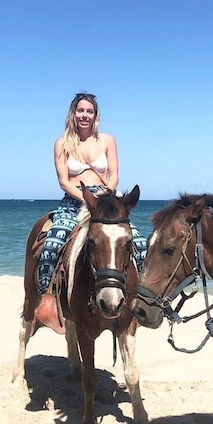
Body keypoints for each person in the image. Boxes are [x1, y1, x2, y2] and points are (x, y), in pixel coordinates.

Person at [35, 92, 148, 333]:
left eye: (89, 111)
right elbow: (64, 181)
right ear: (73, 114)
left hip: (106, 199)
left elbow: (115, 174)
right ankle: (48, 298)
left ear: (96, 115)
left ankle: (141, 296)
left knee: (138, 241)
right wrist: (88, 202)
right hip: (75, 199)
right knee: (52, 244)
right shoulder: (62, 143)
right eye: (81, 111)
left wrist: (105, 196)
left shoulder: (107, 140)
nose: (85, 115)